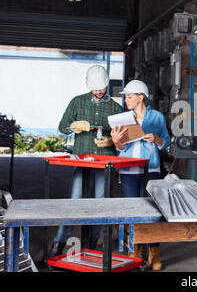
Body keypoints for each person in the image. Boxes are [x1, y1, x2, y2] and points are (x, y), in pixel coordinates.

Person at [49, 65, 123, 257]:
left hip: (104, 161)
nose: (98, 91)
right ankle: (59, 243)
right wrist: (73, 127)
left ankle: (91, 244)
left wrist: (111, 141)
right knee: (74, 202)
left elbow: (122, 140)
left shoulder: (115, 108)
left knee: (100, 203)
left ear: (107, 83)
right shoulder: (77, 102)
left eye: (102, 87)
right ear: (88, 85)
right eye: (95, 88)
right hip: (82, 160)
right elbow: (62, 127)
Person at [110, 79, 170, 271]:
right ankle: (135, 250)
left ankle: (154, 252)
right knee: (133, 209)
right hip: (128, 169)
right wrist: (116, 141)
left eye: (129, 96)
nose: (126, 100)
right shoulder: (123, 118)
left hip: (150, 168)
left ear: (140, 97)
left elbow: (166, 142)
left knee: (153, 211)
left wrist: (156, 138)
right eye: (125, 97)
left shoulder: (157, 118)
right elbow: (120, 148)